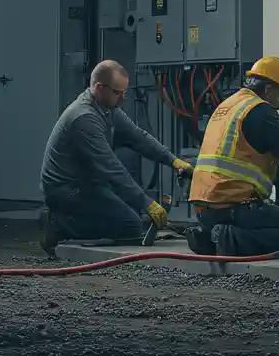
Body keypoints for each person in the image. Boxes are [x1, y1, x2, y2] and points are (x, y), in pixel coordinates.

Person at [184, 55, 279, 256]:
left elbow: (254, 167)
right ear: (268, 90)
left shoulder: (229, 106)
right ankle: (232, 238)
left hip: (205, 211)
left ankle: (208, 237)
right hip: (235, 208)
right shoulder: (259, 111)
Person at [38, 60, 194, 257]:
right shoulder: (84, 118)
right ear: (99, 87)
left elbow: (138, 138)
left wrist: (173, 160)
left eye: (124, 93)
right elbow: (110, 168)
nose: (122, 99)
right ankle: (57, 224)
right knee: (130, 224)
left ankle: (76, 219)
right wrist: (147, 202)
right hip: (66, 190)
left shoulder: (108, 110)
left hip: (87, 184)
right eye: (118, 93)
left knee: (132, 217)